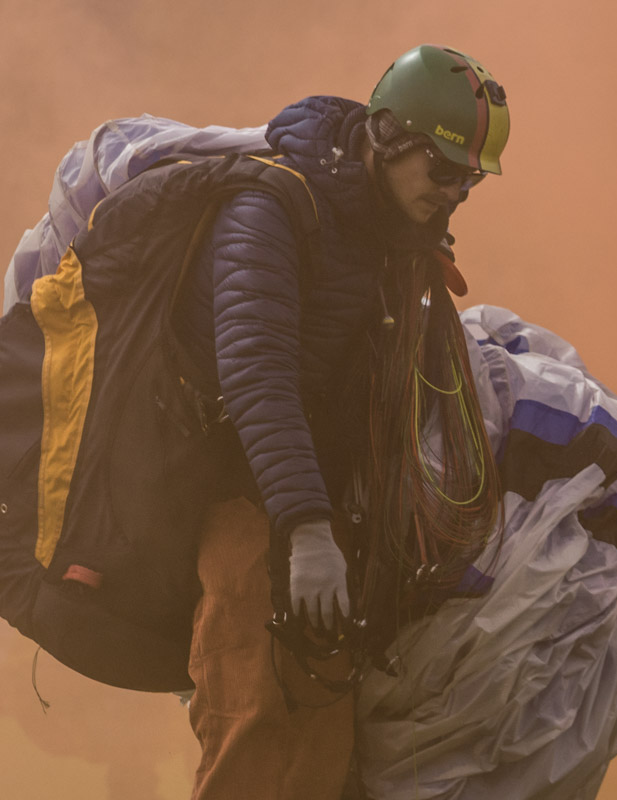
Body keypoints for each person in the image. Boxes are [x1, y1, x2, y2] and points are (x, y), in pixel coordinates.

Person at [166, 44, 511, 799]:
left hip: (317, 507)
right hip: (240, 496)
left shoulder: (389, 235)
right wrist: (307, 526)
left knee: (322, 739)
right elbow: (255, 374)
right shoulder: (270, 208)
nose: (455, 192)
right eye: (443, 169)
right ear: (386, 137)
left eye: (469, 179)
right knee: (252, 726)